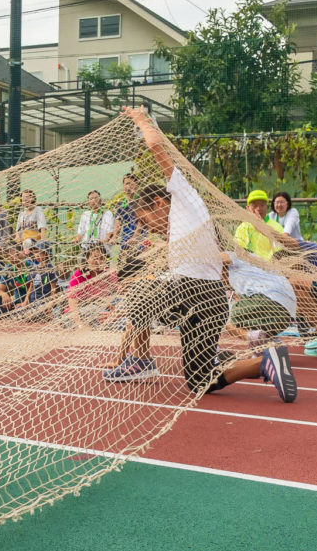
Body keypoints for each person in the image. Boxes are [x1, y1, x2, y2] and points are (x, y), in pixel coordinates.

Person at [101, 110, 298, 404]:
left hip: (191, 292)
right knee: (199, 379)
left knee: (140, 293)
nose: (147, 227)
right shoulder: (185, 228)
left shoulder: (182, 196)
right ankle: (264, 362)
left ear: (157, 202)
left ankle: (141, 362)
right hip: (211, 301)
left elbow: (157, 148)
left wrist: (142, 121)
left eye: (145, 219)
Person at [234, 190, 287, 260]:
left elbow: (279, 253)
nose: (258, 209)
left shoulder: (276, 227)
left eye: (262, 205)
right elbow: (239, 250)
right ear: (247, 208)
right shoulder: (243, 227)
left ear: (266, 207)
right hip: (247, 266)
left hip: (270, 267)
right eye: (254, 205)